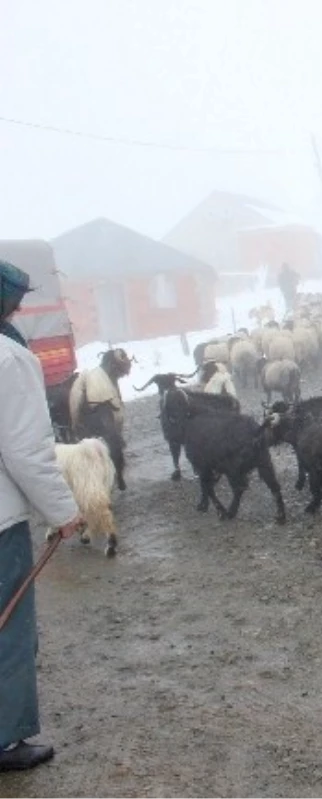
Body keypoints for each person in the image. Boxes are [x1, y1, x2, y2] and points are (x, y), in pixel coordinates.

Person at [0, 259, 85, 773]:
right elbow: (27, 451)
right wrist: (64, 510)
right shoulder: (10, 360)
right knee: (9, 626)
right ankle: (6, 738)